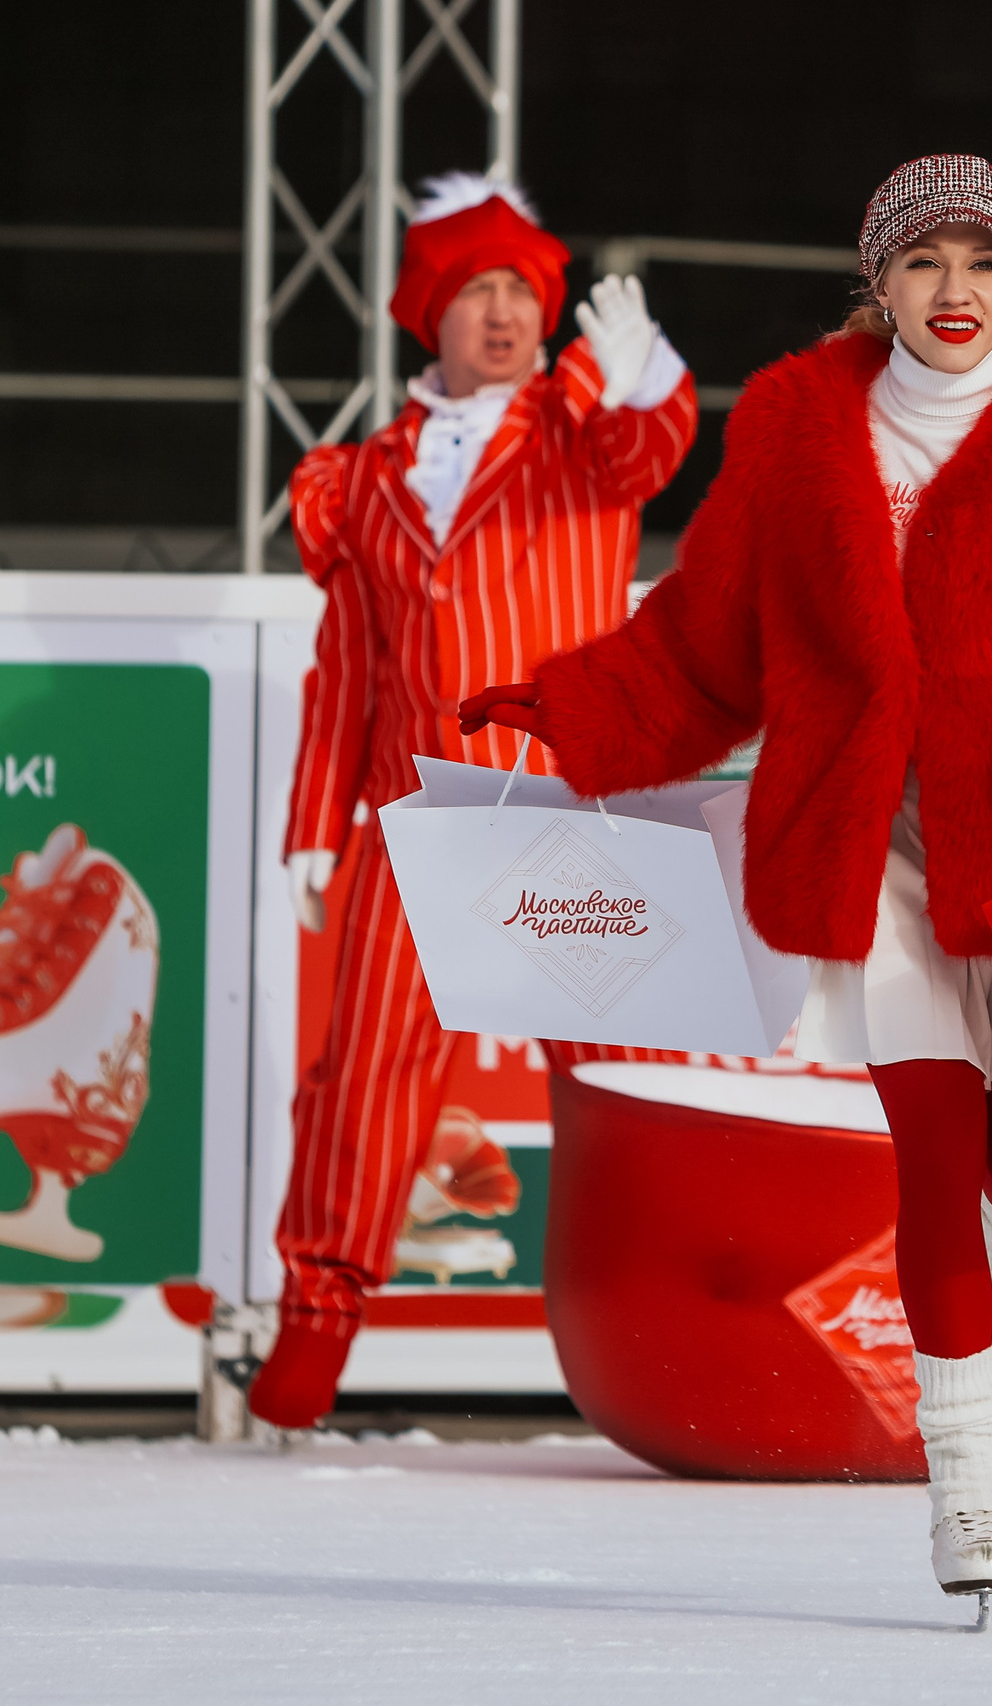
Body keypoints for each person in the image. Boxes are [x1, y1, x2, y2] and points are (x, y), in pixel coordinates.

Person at [462, 154, 992, 1596]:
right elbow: (706, 642)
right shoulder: (801, 424)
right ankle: (971, 1465)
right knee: (933, 1147)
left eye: (985, 264)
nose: (957, 292)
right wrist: (565, 709)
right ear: (873, 282)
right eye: (924, 263)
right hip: (864, 833)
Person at [253, 174, 699, 1430]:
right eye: (476, 290)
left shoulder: (576, 423)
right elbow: (348, 664)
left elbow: (650, 449)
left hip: (567, 802)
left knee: (633, 1074)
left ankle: (676, 1316)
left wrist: (647, 371)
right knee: (367, 1074)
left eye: (521, 289)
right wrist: (313, 822)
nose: (503, 312)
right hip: (420, 820)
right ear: (428, 314)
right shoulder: (364, 477)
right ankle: (317, 1320)